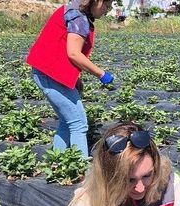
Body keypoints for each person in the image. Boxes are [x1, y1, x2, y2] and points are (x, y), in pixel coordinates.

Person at [26, 0, 115, 158]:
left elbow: (64, 49)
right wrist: (101, 74)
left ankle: (57, 160)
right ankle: (80, 170)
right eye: (107, 5)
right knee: (78, 124)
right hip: (50, 73)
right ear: (98, 1)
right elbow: (73, 53)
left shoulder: (73, 10)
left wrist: (74, 78)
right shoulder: (78, 17)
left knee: (68, 122)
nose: (107, 10)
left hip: (49, 72)